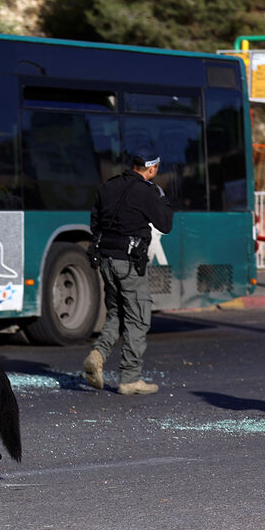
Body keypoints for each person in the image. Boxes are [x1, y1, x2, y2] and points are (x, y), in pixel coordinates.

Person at [83, 148, 174, 395]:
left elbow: (94, 224)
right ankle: (130, 378)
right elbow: (165, 225)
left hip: (105, 261)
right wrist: (162, 197)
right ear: (152, 168)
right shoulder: (146, 191)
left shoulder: (107, 187)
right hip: (129, 263)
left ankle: (98, 353)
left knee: (116, 313)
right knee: (138, 316)